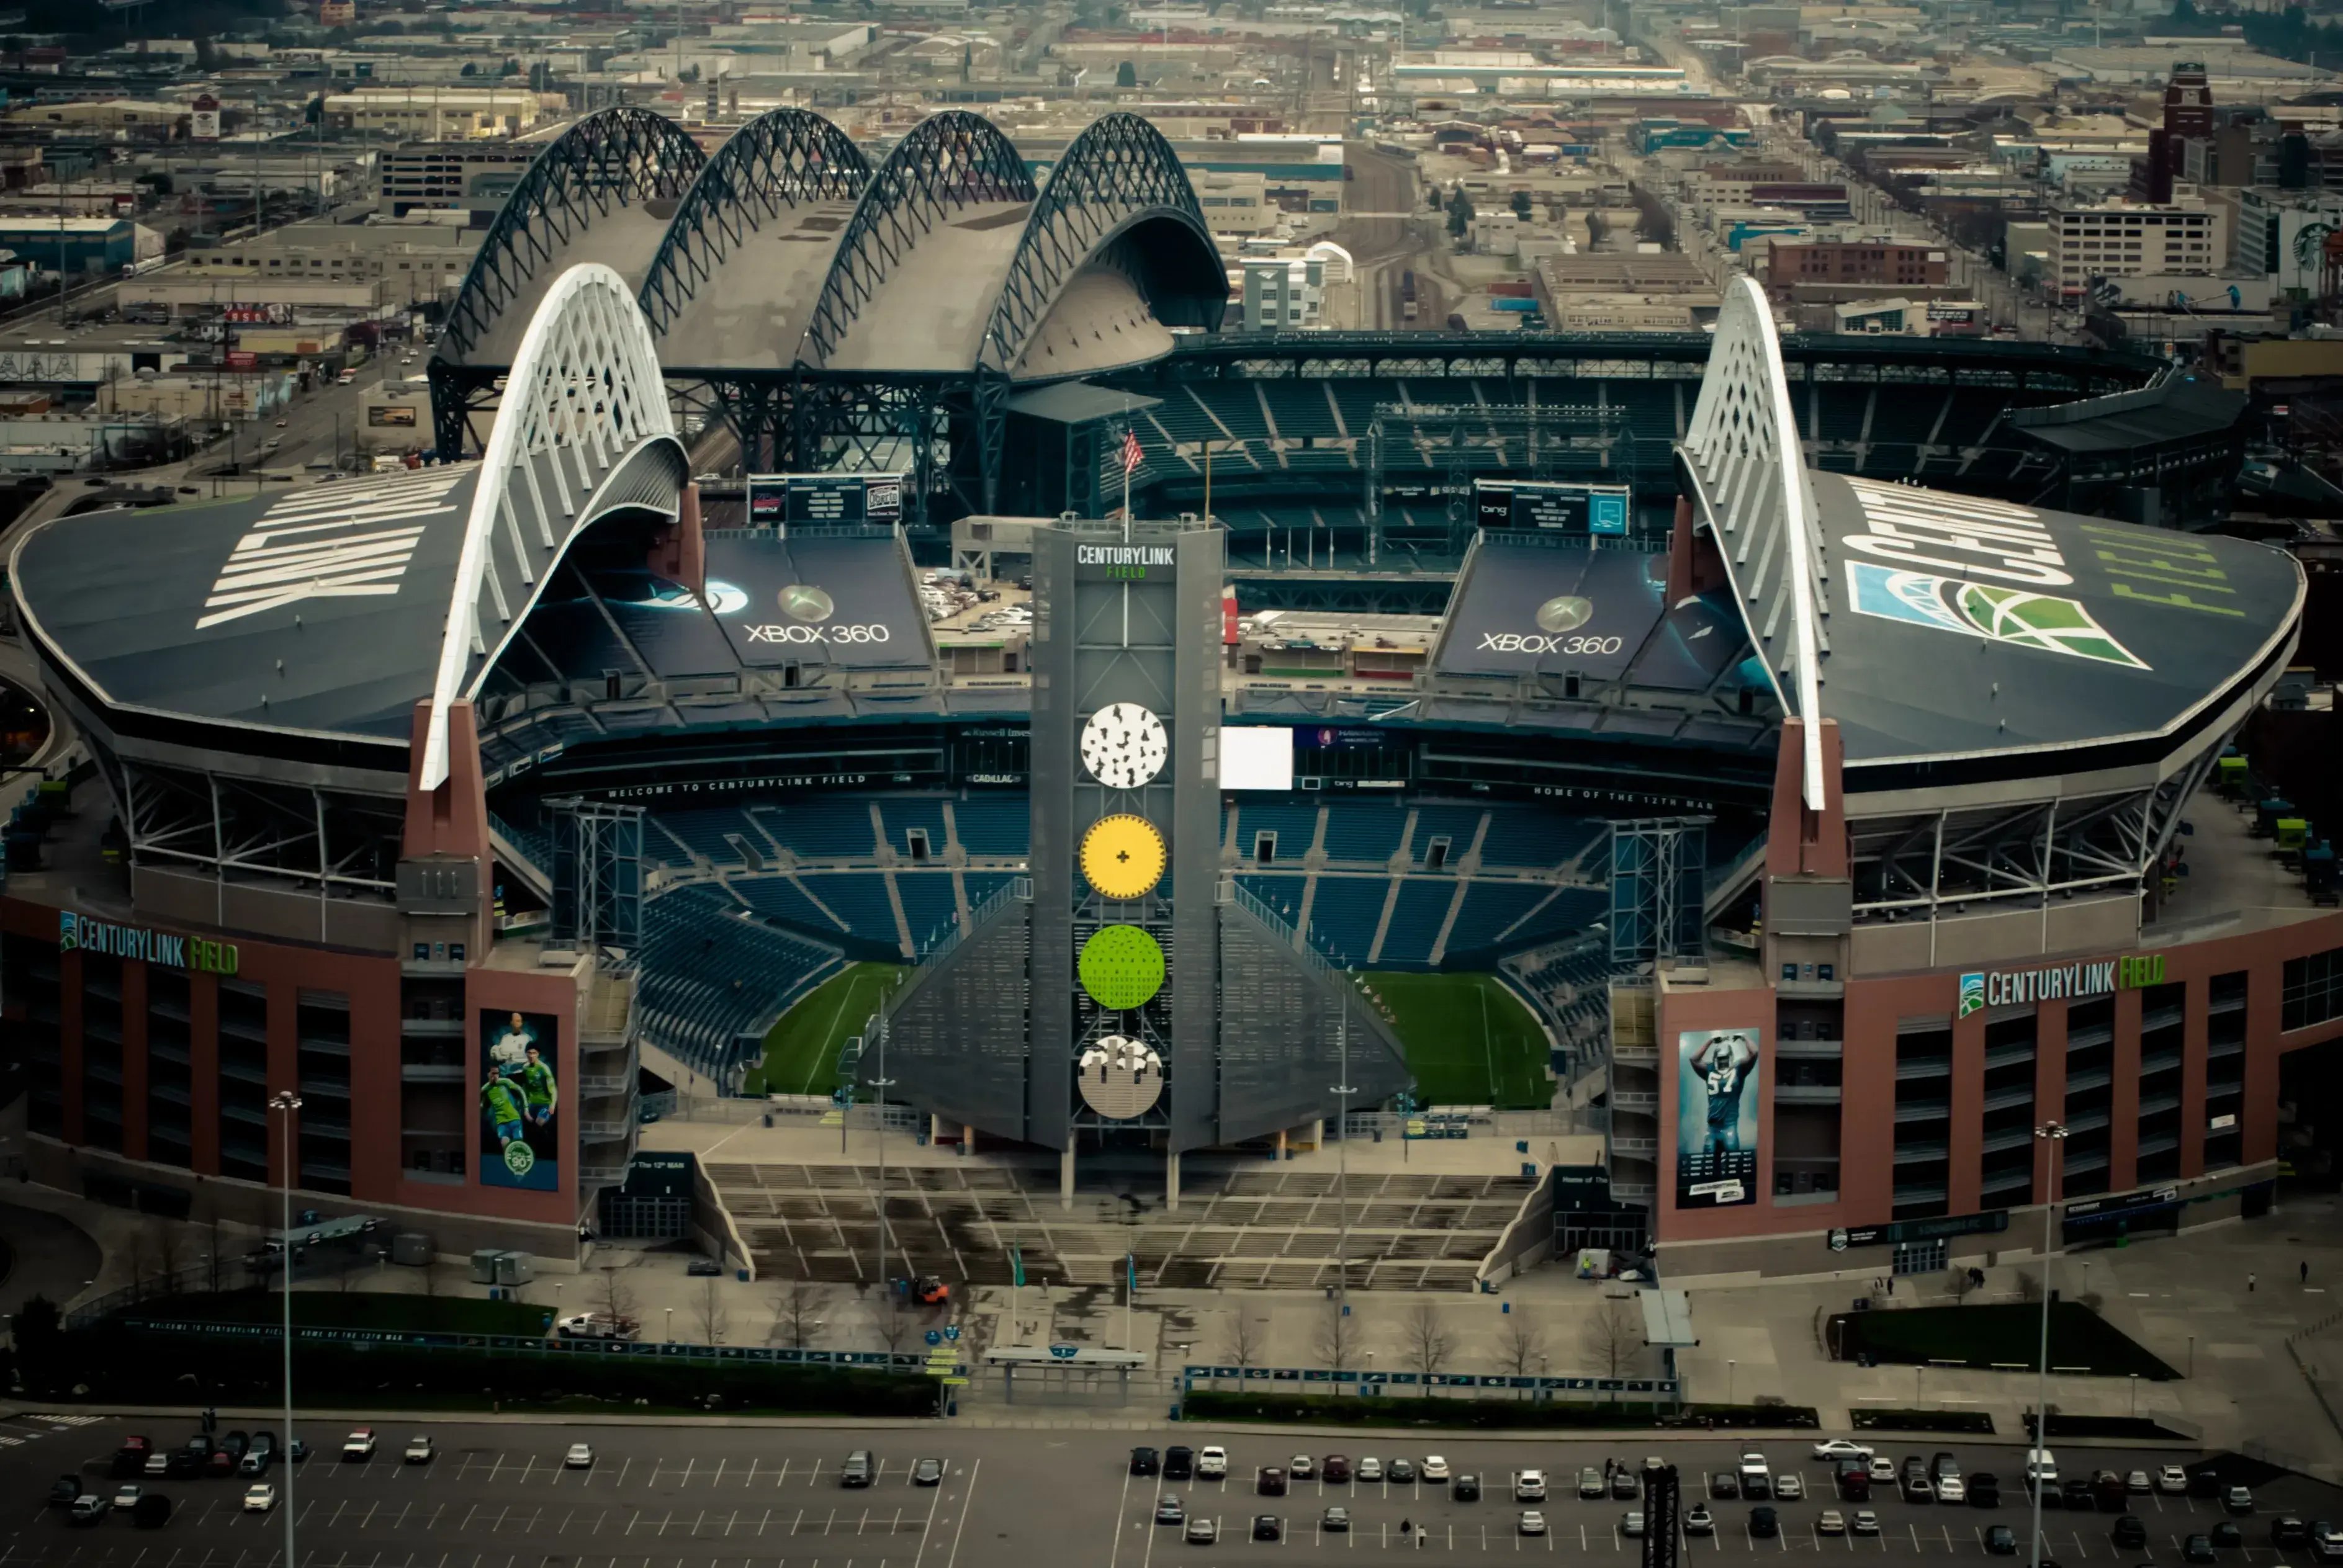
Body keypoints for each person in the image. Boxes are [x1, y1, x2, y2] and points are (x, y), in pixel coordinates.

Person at [1688, 1031, 1757, 1162]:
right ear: (1715, 1059)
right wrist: (1710, 1041)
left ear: (1731, 1058)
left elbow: (1754, 1053)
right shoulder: (1710, 1071)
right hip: (1712, 1128)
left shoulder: (1738, 1070)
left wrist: (1745, 1037)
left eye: (1725, 1058)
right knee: (1708, 1166)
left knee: (1732, 1165)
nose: (1723, 1062)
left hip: (1729, 1126)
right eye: (1720, 1059)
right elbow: (1693, 1059)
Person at [482, 1073, 526, 1151]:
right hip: (501, 1124)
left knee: (517, 1145)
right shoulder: (488, 1091)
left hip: (514, 1120)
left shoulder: (507, 1086)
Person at [518, 1042, 559, 1129]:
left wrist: (553, 1104)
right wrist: (524, 1104)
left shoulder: (543, 1068)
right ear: (526, 1054)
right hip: (531, 1103)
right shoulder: (525, 1068)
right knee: (525, 1126)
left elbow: (553, 1088)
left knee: (538, 1125)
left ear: (538, 1054)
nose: (532, 1056)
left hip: (545, 1104)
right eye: (529, 1053)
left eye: (534, 1053)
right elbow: (525, 1088)